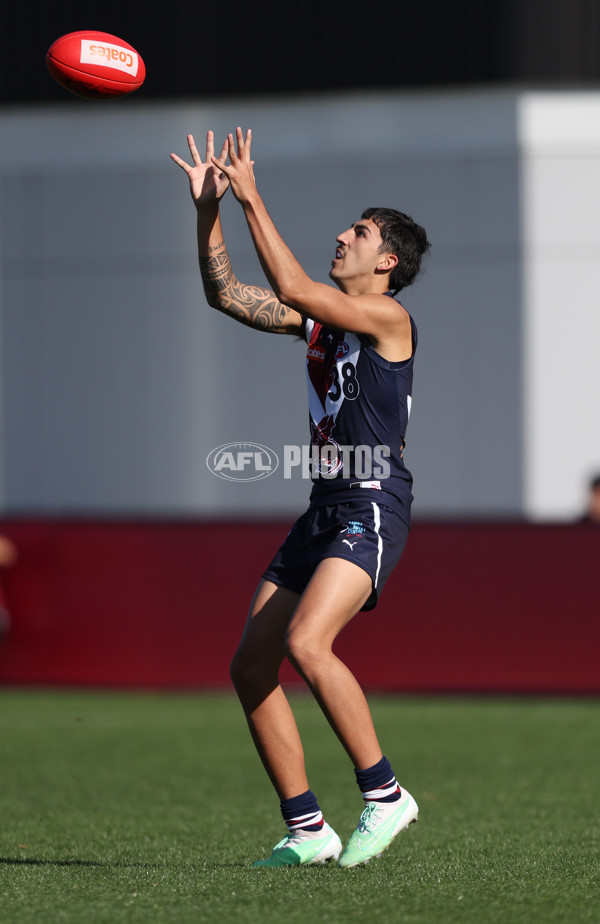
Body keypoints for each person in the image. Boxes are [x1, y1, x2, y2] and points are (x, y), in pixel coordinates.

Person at [171, 128, 430, 868]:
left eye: (360, 232)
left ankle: (385, 796)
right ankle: (307, 829)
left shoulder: (390, 320)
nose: (342, 236)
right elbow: (227, 295)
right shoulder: (320, 319)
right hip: (322, 509)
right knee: (251, 667)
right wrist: (210, 210)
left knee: (307, 644)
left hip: (372, 504)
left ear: (386, 263)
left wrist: (255, 197)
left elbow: (288, 287)